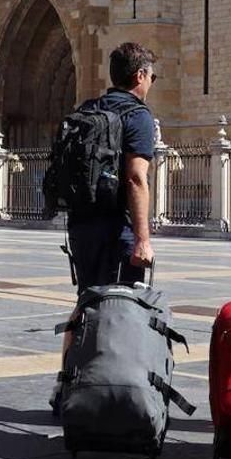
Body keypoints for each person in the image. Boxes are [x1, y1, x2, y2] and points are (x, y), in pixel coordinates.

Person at [51, 42, 158, 410]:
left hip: (81, 224)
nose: (152, 83)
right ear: (140, 75)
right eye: (152, 76)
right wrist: (142, 239)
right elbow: (135, 180)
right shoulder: (138, 116)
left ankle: (65, 384)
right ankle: (110, 390)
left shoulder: (88, 109)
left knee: (85, 302)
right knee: (121, 311)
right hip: (118, 229)